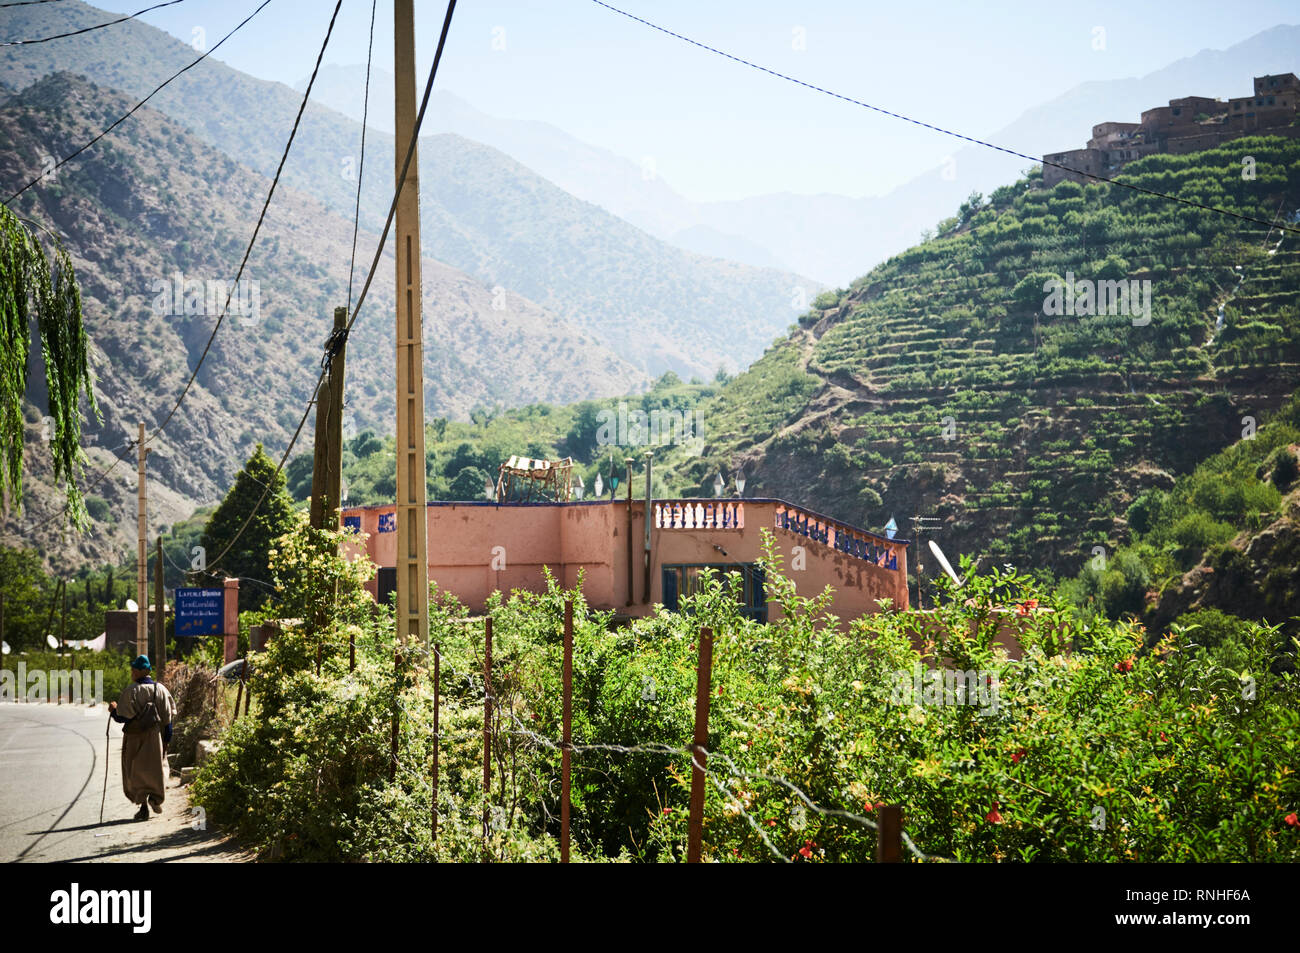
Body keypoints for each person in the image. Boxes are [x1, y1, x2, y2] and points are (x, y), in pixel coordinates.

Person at [108, 655, 176, 821]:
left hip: (134, 737)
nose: (132, 673)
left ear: (139, 671)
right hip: (154, 738)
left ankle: (143, 806)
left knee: (134, 771)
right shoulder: (161, 690)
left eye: (133, 670)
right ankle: (155, 798)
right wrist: (166, 741)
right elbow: (168, 721)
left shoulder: (131, 690)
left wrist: (113, 710)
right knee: (157, 769)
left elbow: (122, 717)